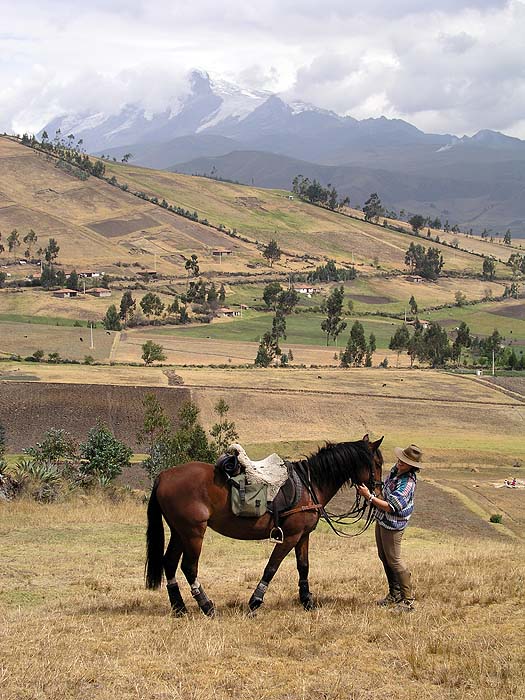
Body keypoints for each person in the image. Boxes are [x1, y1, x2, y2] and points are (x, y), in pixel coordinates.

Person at [357, 443, 423, 612]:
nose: (400, 462)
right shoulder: (396, 470)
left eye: (405, 461)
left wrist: (369, 497)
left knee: (394, 560)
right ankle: (394, 594)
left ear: (412, 466)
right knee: (384, 556)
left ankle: (407, 601)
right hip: (382, 520)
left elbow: (390, 506)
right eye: (401, 459)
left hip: (393, 524)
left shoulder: (407, 483)